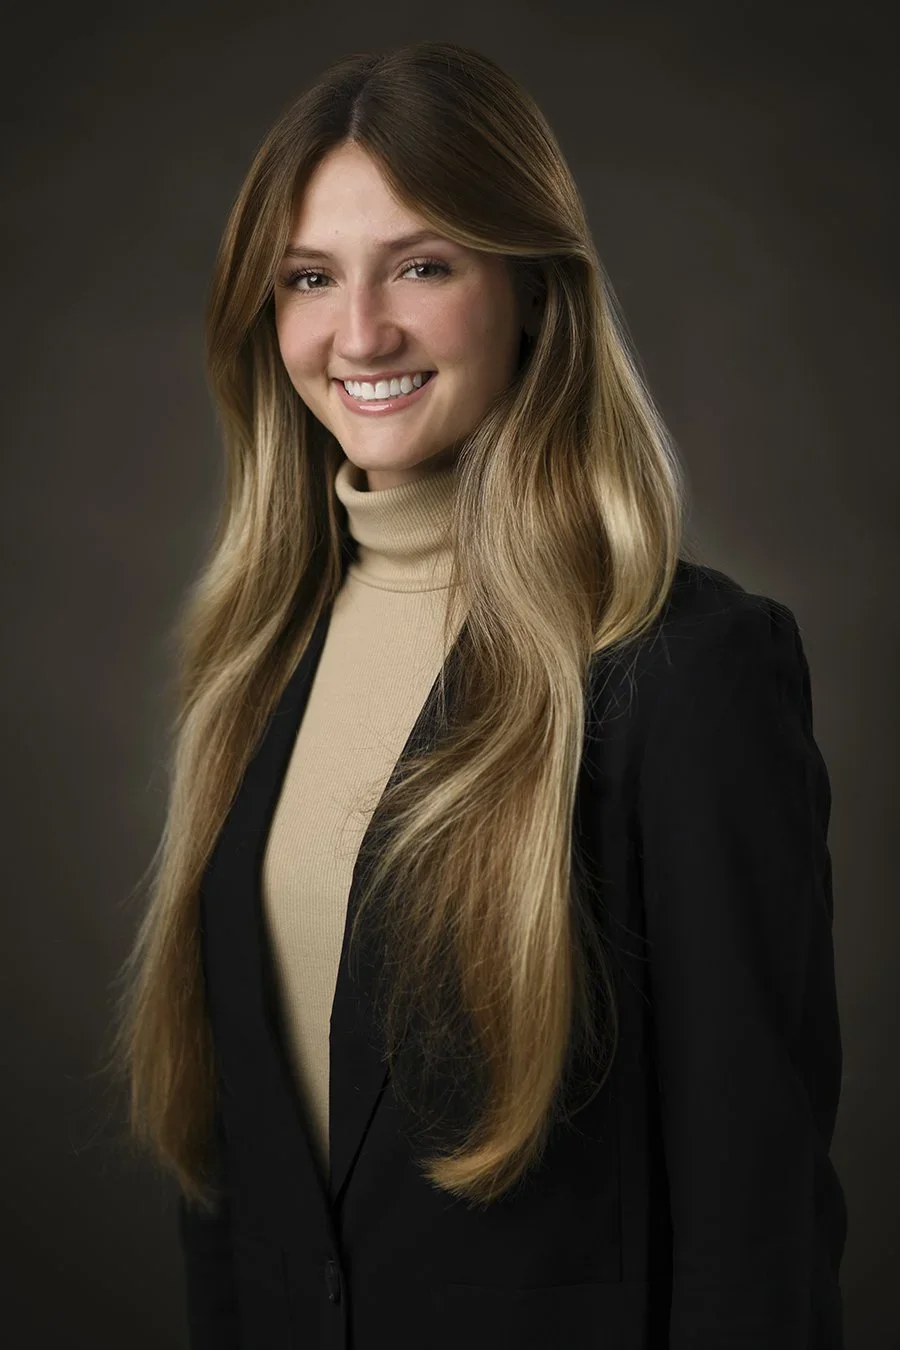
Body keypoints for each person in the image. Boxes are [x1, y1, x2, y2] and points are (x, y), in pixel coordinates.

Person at [108, 39, 847, 1350]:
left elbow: (759, 1229)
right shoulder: (254, 668)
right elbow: (234, 1191)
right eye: (310, 279)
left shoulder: (686, 670)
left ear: (532, 290)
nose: (361, 332)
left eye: (424, 266)